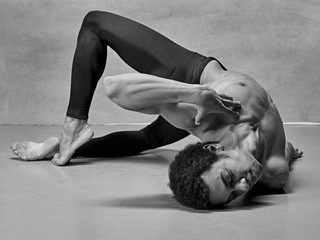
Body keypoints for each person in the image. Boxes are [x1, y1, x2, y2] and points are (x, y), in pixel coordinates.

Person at [10, 11, 303, 209]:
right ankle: (69, 135)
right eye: (232, 190)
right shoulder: (275, 173)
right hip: (199, 84)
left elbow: (116, 87)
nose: (243, 186)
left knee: (95, 24)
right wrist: (288, 150)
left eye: (230, 186)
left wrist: (197, 96)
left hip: (194, 87)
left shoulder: (204, 123)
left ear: (214, 150)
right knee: (95, 26)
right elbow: (282, 153)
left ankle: (62, 142)